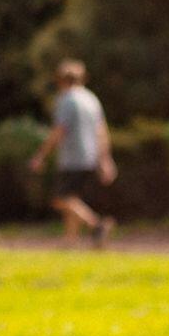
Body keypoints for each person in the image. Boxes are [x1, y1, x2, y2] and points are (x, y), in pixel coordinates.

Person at [32, 60, 116, 245]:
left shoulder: (66, 100)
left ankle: (96, 224)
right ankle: (70, 241)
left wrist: (41, 155)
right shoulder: (91, 99)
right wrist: (105, 159)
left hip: (72, 157)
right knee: (73, 199)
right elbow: (101, 130)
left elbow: (59, 130)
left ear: (61, 80)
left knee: (60, 199)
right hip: (91, 156)